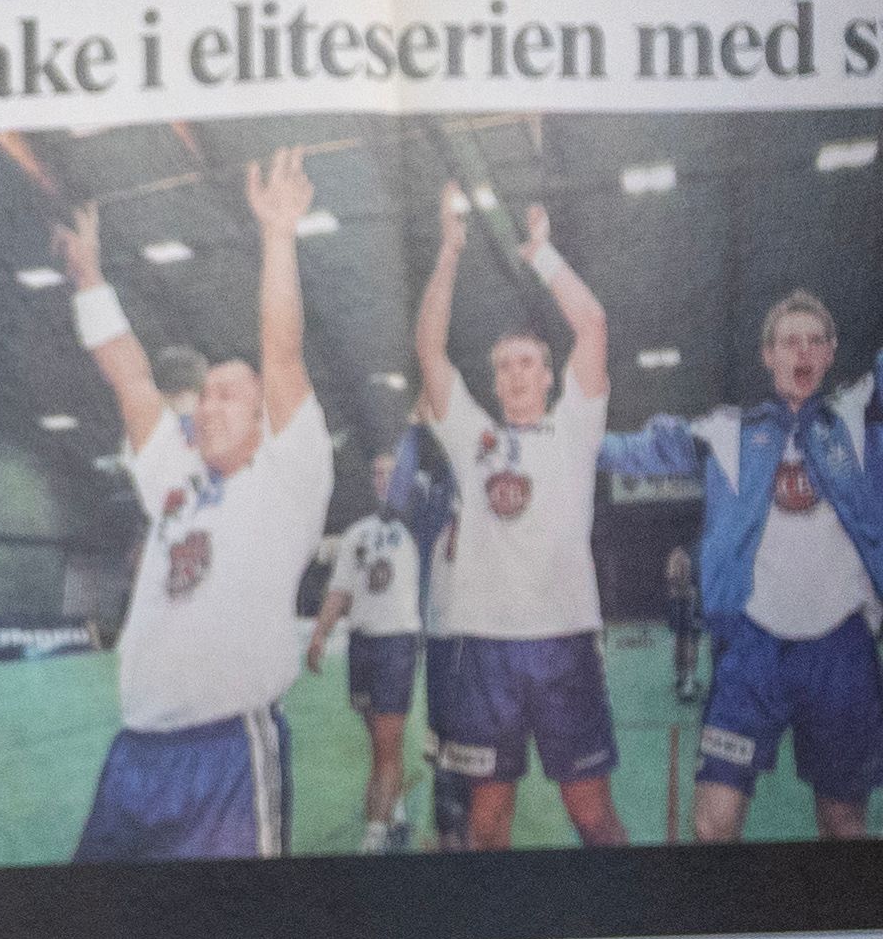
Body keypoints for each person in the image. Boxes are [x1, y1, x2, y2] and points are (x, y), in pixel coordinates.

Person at [54, 157, 337, 858]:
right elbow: (131, 378)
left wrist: (278, 235)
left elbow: (282, 354)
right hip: (135, 754)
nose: (208, 406)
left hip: (227, 756)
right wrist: (90, 280)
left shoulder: (288, 482)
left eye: (229, 395)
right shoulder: (175, 482)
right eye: (204, 394)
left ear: (266, 418)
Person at [606, 287, 877, 837]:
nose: (802, 352)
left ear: (831, 353)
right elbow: (637, 450)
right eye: (790, 342)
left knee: (844, 823)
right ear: (767, 355)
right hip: (753, 651)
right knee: (713, 824)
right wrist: (564, 440)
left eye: (815, 341)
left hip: (841, 651)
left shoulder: (859, 419)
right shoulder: (729, 432)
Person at [410, 196, 624, 846]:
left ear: (550, 376)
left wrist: (542, 255)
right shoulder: (473, 437)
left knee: (591, 814)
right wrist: (448, 252)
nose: (514, 375)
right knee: (487, 822)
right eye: (503, 366)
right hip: (485, 650)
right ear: (495, 382)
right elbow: (429, 349)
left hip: (564, 644)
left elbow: (592, 323)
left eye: (527, 362)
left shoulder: (574, 429)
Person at [307, 475, 435, 850]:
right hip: (362, 646)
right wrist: (319, 633)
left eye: (392, 475)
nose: (384, 482)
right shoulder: (357, 534)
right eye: (378, 475)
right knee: (378, 739)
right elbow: (340, 590)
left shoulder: (417, 530)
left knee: (386, 740)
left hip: (397, 643)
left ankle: (375, 833)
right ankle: (393, 807)